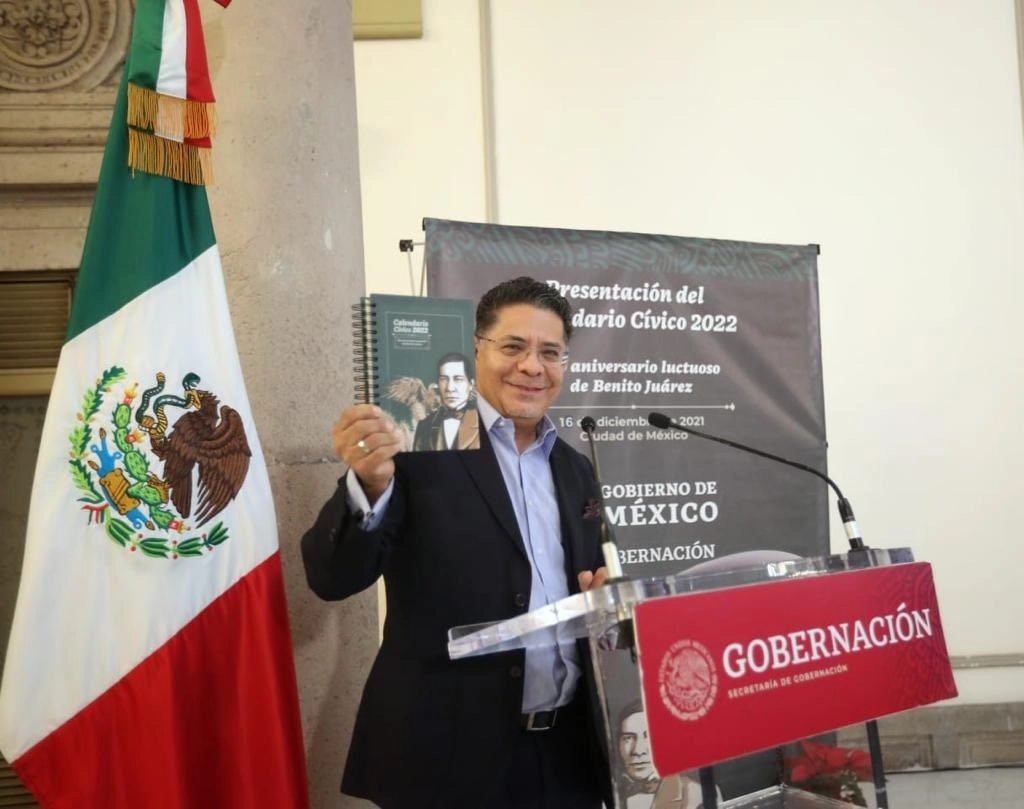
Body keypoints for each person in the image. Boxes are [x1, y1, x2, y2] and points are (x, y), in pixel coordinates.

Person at [302, 277, 611, 809]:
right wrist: (368, 485)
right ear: (476, 351)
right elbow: (333, 577)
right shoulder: (417, 449)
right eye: (513, 346)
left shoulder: (575, 467)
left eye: (550, 352)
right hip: (447, 763)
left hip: (567, 760)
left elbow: (590, 583)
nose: (532, 367)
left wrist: (604, 596)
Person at [616, 702, 720, 809]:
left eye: (649, 736)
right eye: (628, 738)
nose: (638, 750)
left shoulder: (698, 793)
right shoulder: (614, 795)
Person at [411, 351, 480, 451]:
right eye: (444, 379)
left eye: (458, 379)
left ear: (471, 384)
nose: (450, 388)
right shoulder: (424, 425)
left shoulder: (483, 422)